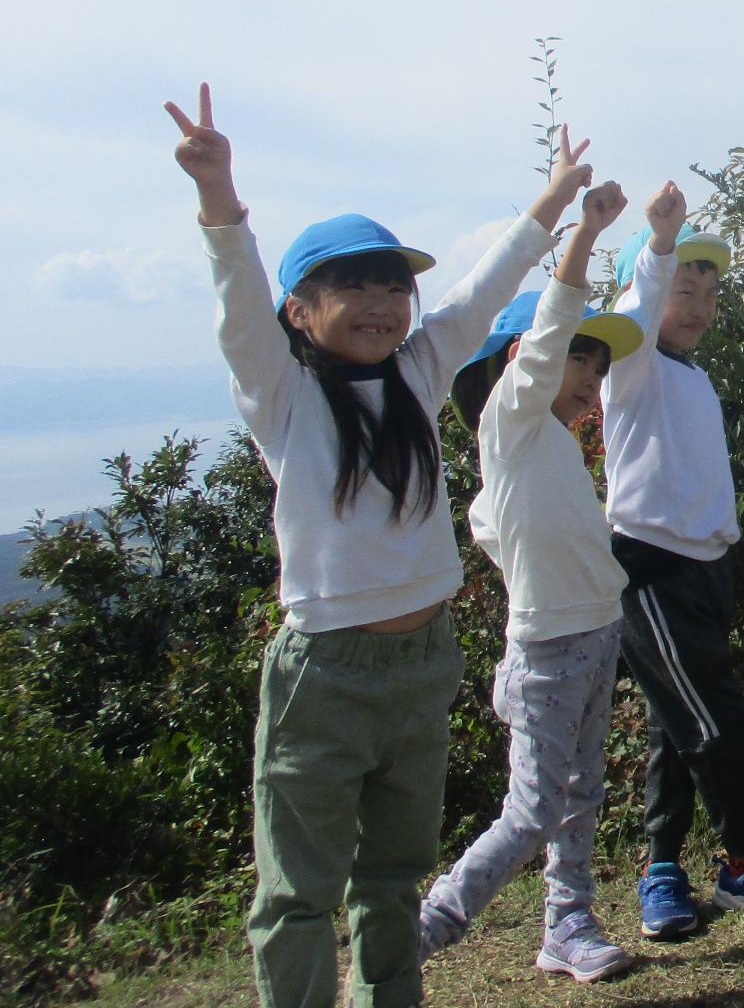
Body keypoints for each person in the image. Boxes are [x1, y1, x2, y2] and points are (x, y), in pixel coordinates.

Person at [166, 84, 588, 1008]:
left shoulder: (419, 372)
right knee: (298, 895)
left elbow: (481, 295)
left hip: (424, 661)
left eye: (394, 283)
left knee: (394, 877)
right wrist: (219, 198)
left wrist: (550, 207)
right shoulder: (282, 398)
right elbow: (238, 307)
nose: (380, 301)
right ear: (299, 310)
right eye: (350, 284)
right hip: (325, 672)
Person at [419, 177, 660, 981]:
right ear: (523, 365)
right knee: (532, 811)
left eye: (596, 365)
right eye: (576, 362)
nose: (589, 379)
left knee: (581, 796)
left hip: (595, 635)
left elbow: (499, 530)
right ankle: (427, 926)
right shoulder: (511, 426)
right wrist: (584, 238)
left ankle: (568, 925)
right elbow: (547, 339)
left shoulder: (543, 451)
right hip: (551, 651)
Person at [604, 199, 744, 939]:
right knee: (716, 719)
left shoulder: (692, 377)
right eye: (684, 291)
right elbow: (637, 305)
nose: (701, 307)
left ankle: (662, 871)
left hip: (704, 566)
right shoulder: (630, 362)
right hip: (649, 565)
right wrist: (661, 243)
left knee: (675, 729)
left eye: (709, 295)